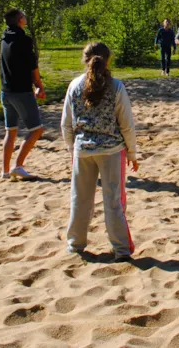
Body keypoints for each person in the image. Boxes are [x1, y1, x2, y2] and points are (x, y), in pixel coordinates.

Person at [61, 42, 139, 259]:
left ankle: (75, 244)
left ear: (84, 59)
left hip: (83, 150)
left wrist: (72, 148)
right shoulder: (116, 86)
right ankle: (121, 249)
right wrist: (132, 153)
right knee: (114, 200)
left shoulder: (74, 86)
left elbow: (66, 123)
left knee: (80, 198)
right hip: (112, 150)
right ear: (108, 60)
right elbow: (126, 124)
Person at [0, 8, 46, 181]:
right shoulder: (24, 40)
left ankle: (4, 172)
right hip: (21, 91)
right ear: (20, 20)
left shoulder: (4, 38)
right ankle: (17, 166)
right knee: (37, 130)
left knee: (10, 132)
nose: (26, 17)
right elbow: (32, 65)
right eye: (24, 16)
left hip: (6, 91)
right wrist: (39, 86)